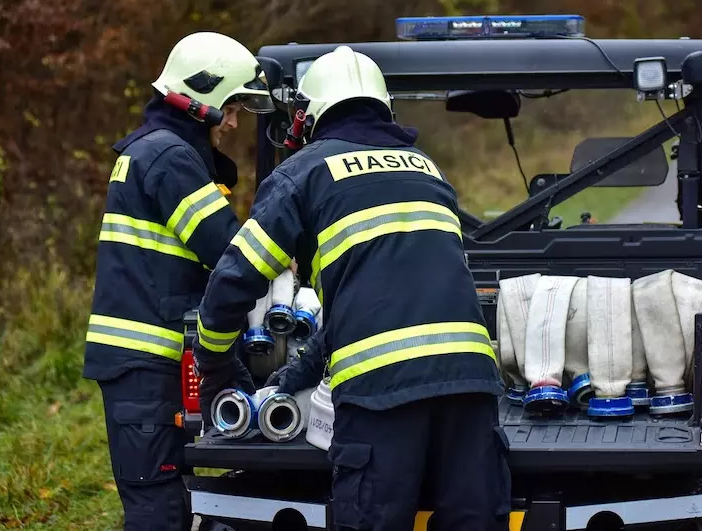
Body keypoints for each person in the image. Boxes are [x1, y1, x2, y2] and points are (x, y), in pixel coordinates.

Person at [192, 45, 512, 531]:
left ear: (310, 115)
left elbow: (236, 278)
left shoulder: (305, 173)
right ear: (385, 108)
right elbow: (366, 309)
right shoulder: (427, 170)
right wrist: (296, 376)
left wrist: (214, 361)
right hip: (470, 388)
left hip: (381, 397)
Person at [83, 31, 277, 531]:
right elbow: (229, 249)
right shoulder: (169, 158)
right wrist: (287, 261)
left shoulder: (159, 149)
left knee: (172, 499)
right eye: (230, 108)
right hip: (142, 363)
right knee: (158, 506)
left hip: (143, 363)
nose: (233, 122)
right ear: (201, 101)